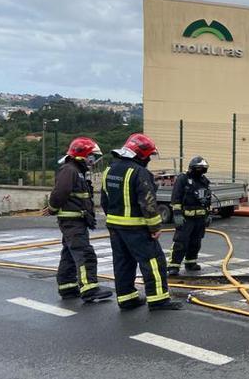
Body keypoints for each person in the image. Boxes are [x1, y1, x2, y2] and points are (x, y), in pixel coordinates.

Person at [101, 133, 181, 311]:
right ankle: (158, 299)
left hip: (114, 226)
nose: (149, 160)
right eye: (148, 156)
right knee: (153, 261)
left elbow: (104, 201)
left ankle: (126, 298)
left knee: (122, 262)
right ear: (141, 155)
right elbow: (148, 203)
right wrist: (154, 227)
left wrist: (114, 220)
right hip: (136, 227)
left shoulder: (109, 170)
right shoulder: (139, 172)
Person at [45, 137, 112, 302]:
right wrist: (53, 208)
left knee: (69, 254)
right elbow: (60, 192)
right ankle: (89, 288)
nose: (93, 160)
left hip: (75, 220)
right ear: (82, 155)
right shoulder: (70, 170)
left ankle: (67, 287)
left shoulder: (76, 171)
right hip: (73, 221)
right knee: (84, 253)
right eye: (92, 156)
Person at [167, 156, 212, 275]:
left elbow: (207, 199)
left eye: (203, 169)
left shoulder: (204, 181)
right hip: (185, 218)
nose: (201, 171)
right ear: (192, 168)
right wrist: (177, 214)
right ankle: (173, 266)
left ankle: (191, 262)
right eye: (199, 168)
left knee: (196, 242)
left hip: (200, 219)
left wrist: (208, 214)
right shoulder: (183, 179)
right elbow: (176, 197)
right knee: (180, 242)